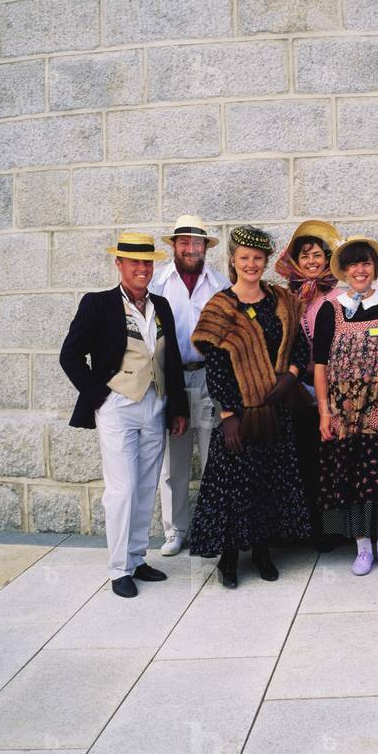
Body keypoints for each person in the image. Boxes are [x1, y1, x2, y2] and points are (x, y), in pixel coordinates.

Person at [59, 232, 189, 598]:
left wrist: (177, 407)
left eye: (147, 262)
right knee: (122, 489)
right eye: (134, 262)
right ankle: (119, 569)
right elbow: (70, 356)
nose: (142, 269)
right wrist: (100, 395)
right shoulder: (98, 304)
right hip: (117, 406)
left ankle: (136, 558)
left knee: (147, 486)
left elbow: (171, 359)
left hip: (155, 403)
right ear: (119, 265)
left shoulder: (160, 305)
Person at [186, 226, 310, 588]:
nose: (252, 264)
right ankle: (228, 559)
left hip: (277, 408)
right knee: (232, 487)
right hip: (240, 414)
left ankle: (261, 552)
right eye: (245, 258)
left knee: (268, 480)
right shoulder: (221, 307)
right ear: (233, 261)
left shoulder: (281, 300)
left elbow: (299, 348)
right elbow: (217, 364)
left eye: (258, 259)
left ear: (265, 262)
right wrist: (227, 416)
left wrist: (289, 376)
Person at [313, 237, 378, 576]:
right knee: (351, 475)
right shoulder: (330, 309)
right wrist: (324, 413)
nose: (360, 270)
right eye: (353, 264)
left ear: (375, 268)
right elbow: (318, 365)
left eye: (366, 264)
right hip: (346, 414)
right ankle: (362, 548)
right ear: (344, 271)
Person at [149, 214, 226, 557]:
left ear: (205, 247)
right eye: (184, 242)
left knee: (214, 457)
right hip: (175, 380)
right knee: (174, 462)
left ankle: (213, 527)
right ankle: (175, 531)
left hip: (210, 376)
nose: (191, 248)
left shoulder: (220, 284)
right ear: (174, 247)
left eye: (197, 242)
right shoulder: (159, 285)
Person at [274, 219, 343, 550]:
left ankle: (336, 528)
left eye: (318, 255)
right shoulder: (285, 297)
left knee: (333, 459)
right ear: (295, 261)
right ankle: (310, 528)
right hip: (298, 388)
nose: (312, 261)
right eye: (305, 256)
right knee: (305, 459)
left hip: (336, 389)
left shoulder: (340, 295)